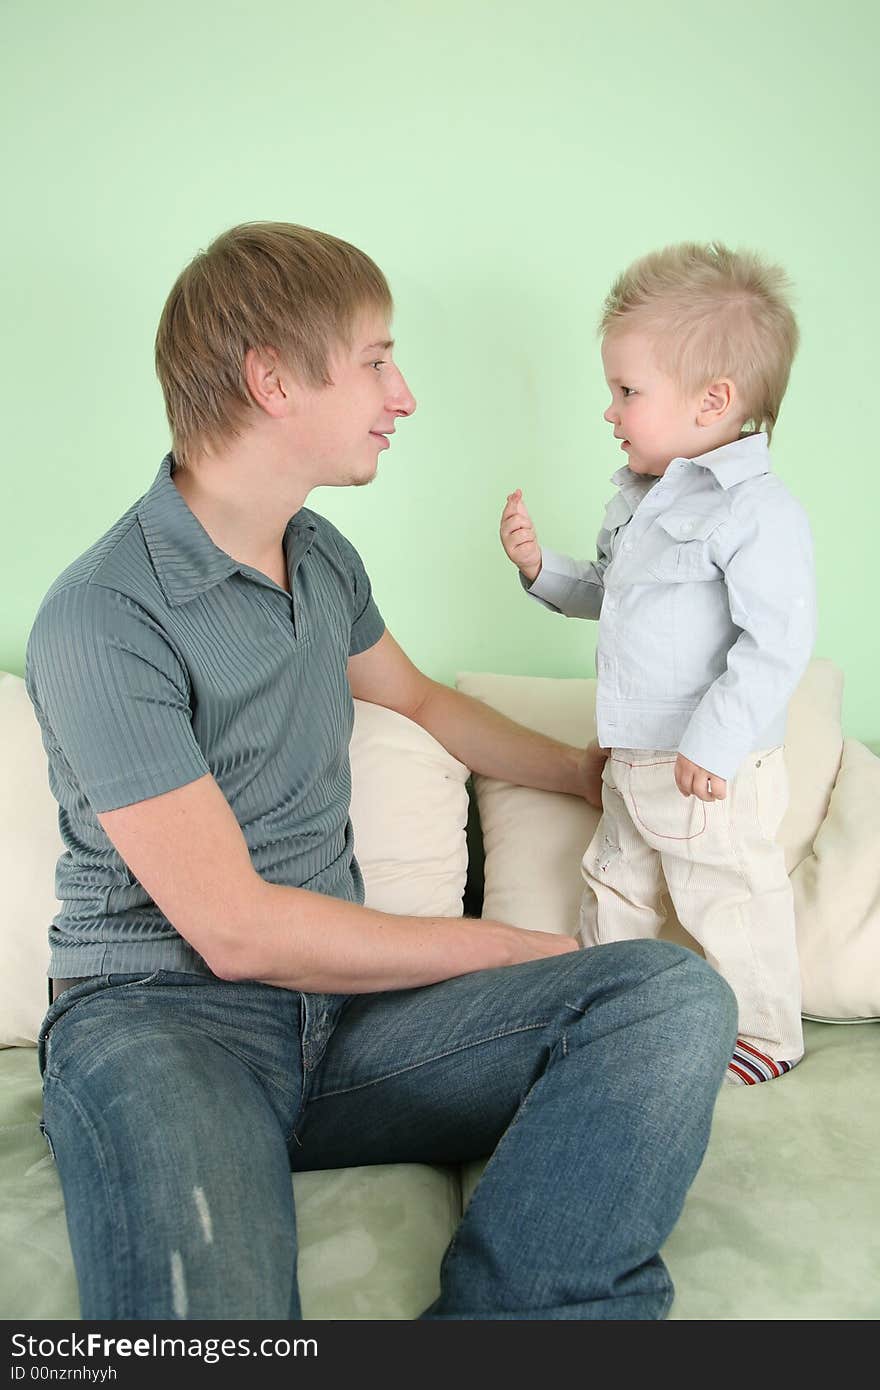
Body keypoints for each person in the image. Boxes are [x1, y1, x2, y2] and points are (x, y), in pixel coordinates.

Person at [26, 222, 736, 1322]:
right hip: (164, 1024)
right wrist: (501, 947)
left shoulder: (319, 555)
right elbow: (237, 930)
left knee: (665, 995)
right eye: (374, 359)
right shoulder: (101, 615)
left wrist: (582, 773)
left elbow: (418, 699)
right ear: (271, 380)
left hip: (343, 1026)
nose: (401, 394)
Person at [500, 241, 815, 1086]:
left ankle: (766, 1036)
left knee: (729, 896)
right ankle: (601, 1017)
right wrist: (543, 572)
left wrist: (713, 743)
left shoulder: (756, 511)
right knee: (613, 885)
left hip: (710, 766)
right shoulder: (640, 499)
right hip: (635, 758)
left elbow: (775, 642)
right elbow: (612, 592)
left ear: (714, 400)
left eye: (628, 392)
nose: (610, 411)